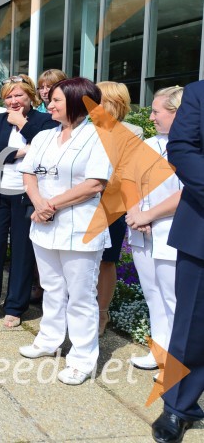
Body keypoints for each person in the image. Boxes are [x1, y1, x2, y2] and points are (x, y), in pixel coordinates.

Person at [17, 77, 111, 386]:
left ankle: (83, 358)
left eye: (56, 99)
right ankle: (49, 339)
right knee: (51, 285)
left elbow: (95, 184)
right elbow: (29, 174)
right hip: (44, 224)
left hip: (80, 226)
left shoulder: (99, 137)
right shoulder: (44, 135)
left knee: (81, 295)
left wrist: (51, 204)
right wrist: (38, 202)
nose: (50, 103)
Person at [0, 75, 57, 327]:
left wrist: (22, 123)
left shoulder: (45, 121)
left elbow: (46, 149)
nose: (13, 100)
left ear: (30, 96)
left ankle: (15, 306)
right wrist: (22, 151)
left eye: (19, 95)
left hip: (27, 195)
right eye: (9, 96)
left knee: (23, 251)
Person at [150, 80, 204, 443]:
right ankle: (178, 406)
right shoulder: (200, 93)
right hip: (203, 224)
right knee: (193, 324)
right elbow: (182, 148)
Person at [124, 86, 183, 372]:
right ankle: (159, 351)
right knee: (152, 294)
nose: (151, 116)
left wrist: (149, 214)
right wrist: (135, 212)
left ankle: (177, 362)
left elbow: (187, 193)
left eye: (157, 111)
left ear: (176, 113)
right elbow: (128, 181)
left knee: (174, 299)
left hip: (171, 232)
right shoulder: (149, 144)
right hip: (141, 231)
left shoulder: (191, 146)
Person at [95, 81, 144, 336]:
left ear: (112, 102)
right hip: (81, 202)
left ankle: (102, 312)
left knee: (107, 260)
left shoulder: (132, 132)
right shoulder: (83, 129)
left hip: (112, 205)